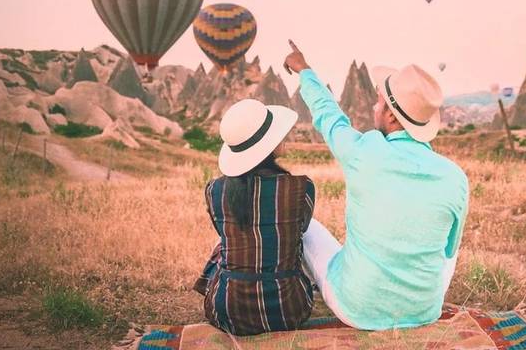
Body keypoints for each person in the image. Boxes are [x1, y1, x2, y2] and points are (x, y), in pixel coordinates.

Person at [283, 40, 469, 330]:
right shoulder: (455, 177)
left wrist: (304, 69)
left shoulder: (364, 151)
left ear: (392, 116)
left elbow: (329, 117)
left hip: (356, 308)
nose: (374, 105)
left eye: (379, 101)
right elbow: (448, 251)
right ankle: (412, 298)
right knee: (450, 246)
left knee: (306, 228)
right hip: (424, 311)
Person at [194, 98, 316, 336]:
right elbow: (301, 230)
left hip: (228, 311)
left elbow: (222, 234)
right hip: (289, 311)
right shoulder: (303, 188)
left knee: (225, 244)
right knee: (305, 236)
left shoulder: (214, 191)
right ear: (270, 145)